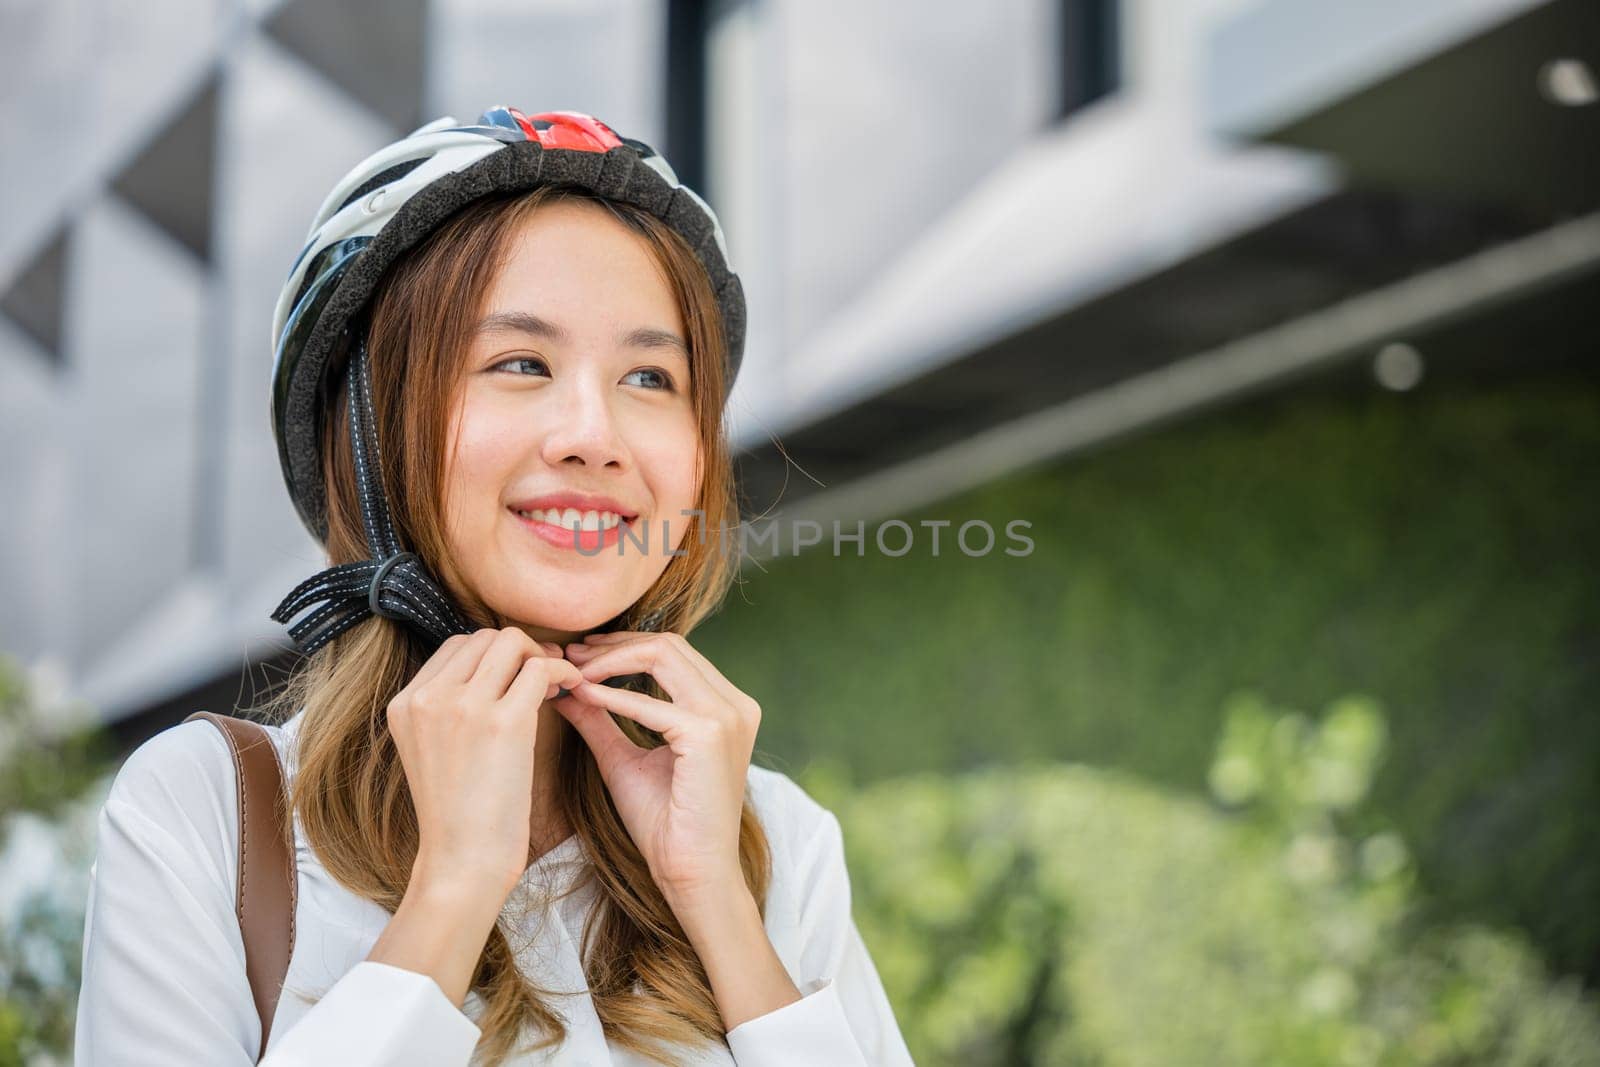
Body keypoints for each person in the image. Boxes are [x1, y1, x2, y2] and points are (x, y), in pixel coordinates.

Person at [73, 108, 916, 1066]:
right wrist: (454, 887)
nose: (594, 434)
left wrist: (720, 905)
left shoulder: (776, 841)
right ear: (371, 434)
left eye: (651, 377)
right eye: (520, 362)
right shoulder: (208, 815)